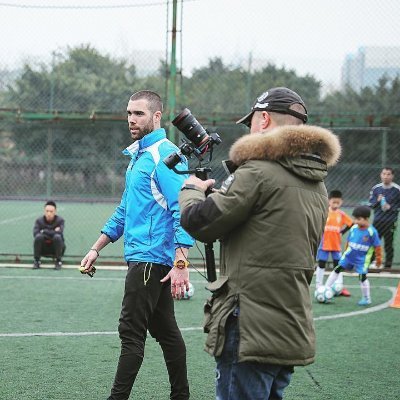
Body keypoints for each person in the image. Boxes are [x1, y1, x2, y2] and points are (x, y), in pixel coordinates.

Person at [178, 87, 341, 400]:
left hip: (249, 327)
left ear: (264, 119)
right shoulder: (317, 184)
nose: (248, 130)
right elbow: (268, 230)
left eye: (250, 122)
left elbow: (201, 223)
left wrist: (192, 189)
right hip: (290, 324)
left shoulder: (258, 172)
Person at [80, 90, 194, 400]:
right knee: (167, 333)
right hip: (145, 260)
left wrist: (181, 263)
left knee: (131, 334)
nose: (131, 119)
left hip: (149, 260)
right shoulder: (139, 157)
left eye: (139, 113)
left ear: (156, 117)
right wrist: (96, 247)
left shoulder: (165, 155)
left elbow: (181, 208)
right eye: (129, 112)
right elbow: (125, 210)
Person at [325, 206, 382, 306]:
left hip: (362, 260)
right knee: (337, 269)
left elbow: (377, 247)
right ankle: (325, 289)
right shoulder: (354, 228)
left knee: (362, 277)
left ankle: (366, 298)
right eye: (355, 219)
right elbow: (348, 241)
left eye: (358, 219)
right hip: (349, 256)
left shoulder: (372, 232)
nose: (355, 221)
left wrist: (378, 260)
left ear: (366, 219)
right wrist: (346, 252)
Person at [315, 190, 353, 296]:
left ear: (341, 202)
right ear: (329, 201)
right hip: (324, 244)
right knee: (321, 263)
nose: (335, 204)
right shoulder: (324, 212)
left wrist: (342, 232)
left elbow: (351, 223)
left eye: (338, 202)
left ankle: (338, 286)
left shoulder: (341, 214)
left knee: (338, 265)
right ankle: (319, 285)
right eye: (333, 202)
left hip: (336, 244)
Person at [368, 167, 400, 269]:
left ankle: (388, 266)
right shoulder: (376, 189)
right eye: (384, 174)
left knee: (388, 244)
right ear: (381, 175)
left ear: (392, 176)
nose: (386, 176)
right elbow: (371, 204)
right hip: (377, 220)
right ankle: (372, 263)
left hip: (390, 221)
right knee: (374, 242)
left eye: (388, 174)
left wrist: (391, 208)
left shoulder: (397, 189)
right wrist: (378, 201)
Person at [33, 200, 65, 270]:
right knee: (38, 237)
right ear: (44, 211)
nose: (49, 213)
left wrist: (44, 231)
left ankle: (58, 261)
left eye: (51, 211)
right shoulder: (39, 221)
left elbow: (59, 233)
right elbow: (35, 234)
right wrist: (53, 231)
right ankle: (37, 261)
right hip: (43, 248)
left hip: (55, 248)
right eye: (47, 211)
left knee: (57, 237)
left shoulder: (60, 221)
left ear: (55, 211)